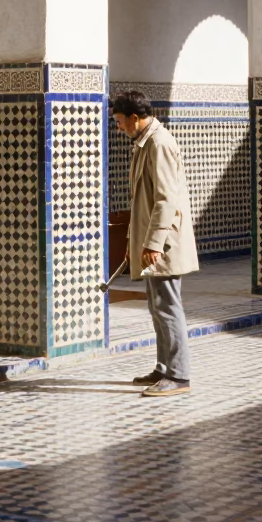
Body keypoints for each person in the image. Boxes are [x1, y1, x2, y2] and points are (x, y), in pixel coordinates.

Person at [111, 90, 199, 397]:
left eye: (120, 121)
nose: (119, 127)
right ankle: (164, 368)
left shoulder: (159, 144)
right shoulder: (145, 142)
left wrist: (154, 244)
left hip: (164, 245)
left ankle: (179, 375)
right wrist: (135, 243)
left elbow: (165, 199)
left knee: (167, 307)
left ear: (134, 118)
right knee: (157, 306)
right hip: (153, 243)